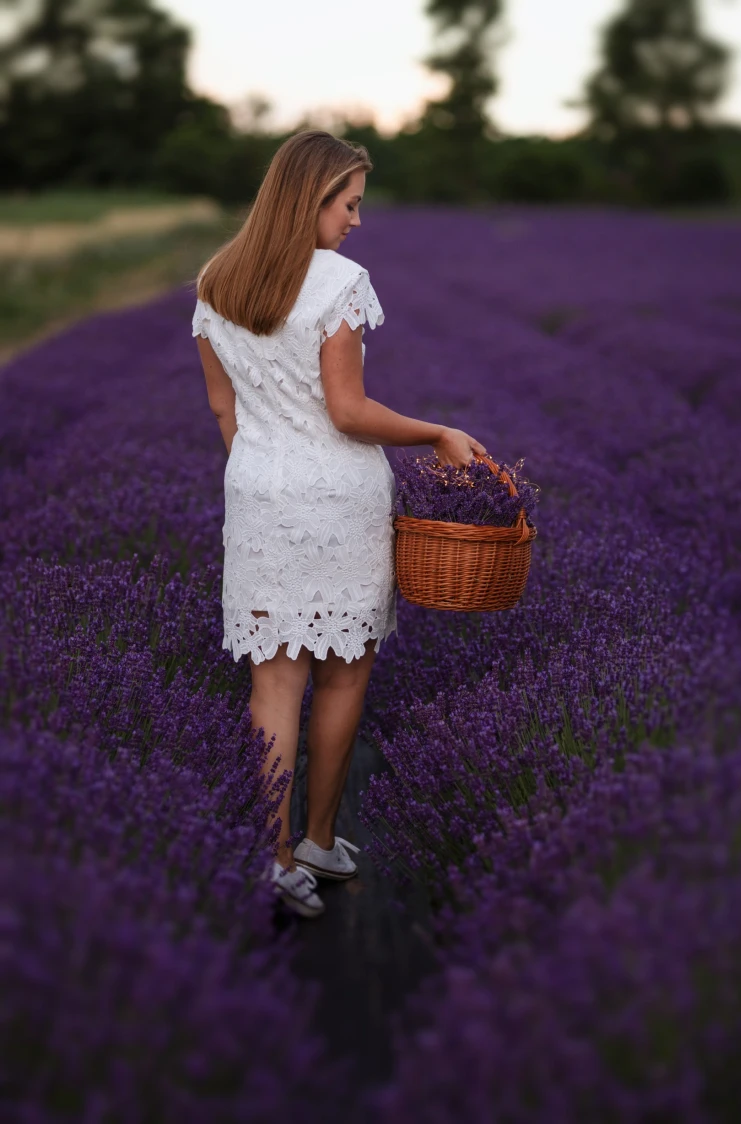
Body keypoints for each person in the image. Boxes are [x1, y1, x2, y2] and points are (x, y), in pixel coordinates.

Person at [193, 130, 486, 918]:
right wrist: (434, 433)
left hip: (257, 494)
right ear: (310, 197)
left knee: (273, 682)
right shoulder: (339, 283)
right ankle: (319, 840)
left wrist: (263, 469)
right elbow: (349, 412)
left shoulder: (217, 282)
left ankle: (272, 858)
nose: (357, 220)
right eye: (349, 203)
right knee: (344, 674)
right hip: (339, 497)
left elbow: (225, 409)